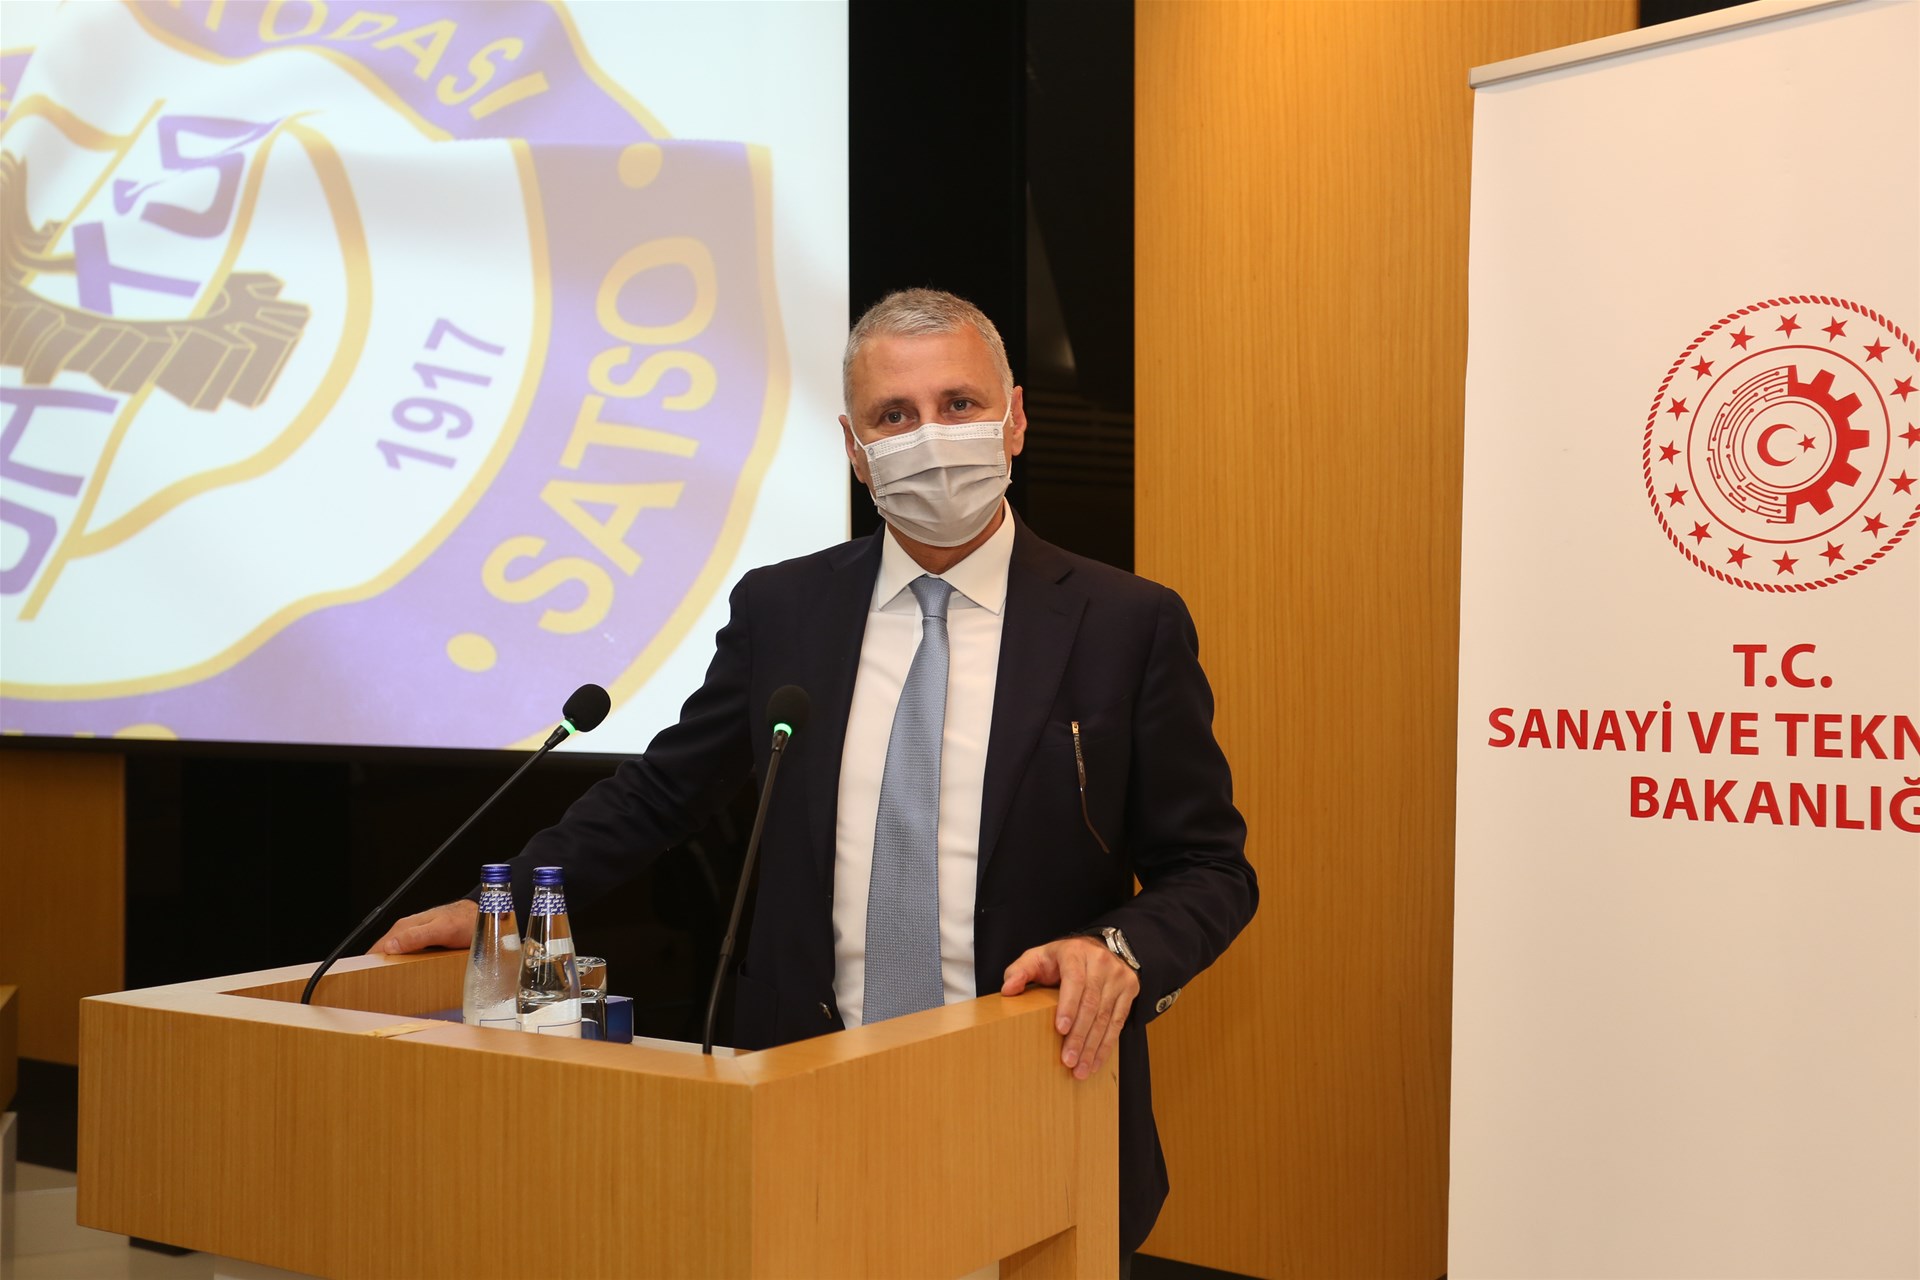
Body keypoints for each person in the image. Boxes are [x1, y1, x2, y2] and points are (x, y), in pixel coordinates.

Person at [370, 288, 1257, 1257]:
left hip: (1036, 1095)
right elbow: (664, 791)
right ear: (854, 447)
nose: (930, 436)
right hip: (802, 1094)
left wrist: (1116, 948)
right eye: (894, 415)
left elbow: (1211, 868)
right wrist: (500, 906)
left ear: (1013, 419)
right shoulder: (785, 610)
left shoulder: (1127, 624)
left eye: (958, 404)